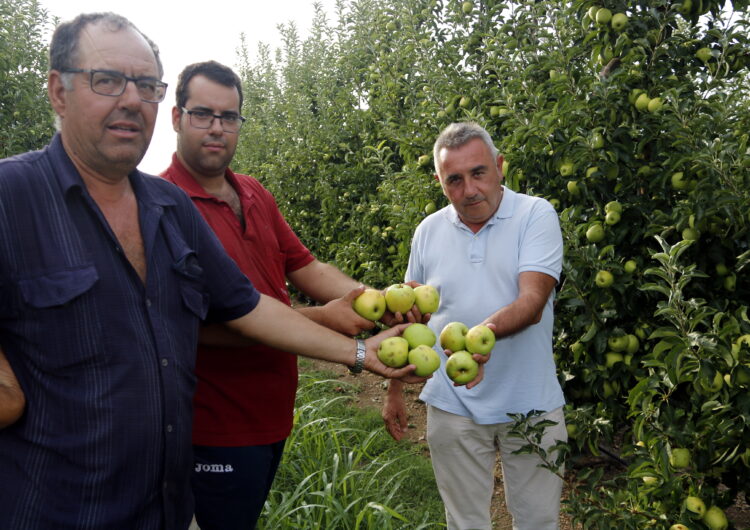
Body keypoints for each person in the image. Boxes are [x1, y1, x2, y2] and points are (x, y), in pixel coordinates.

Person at [0, 13, 423, 530]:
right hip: (57, 509)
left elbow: (247, 303)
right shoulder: (10, 200)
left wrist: (360, 351)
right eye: (106, 80)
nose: (131, 100)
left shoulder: (167, 206)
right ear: (58, 91)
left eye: (146, 86)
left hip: (166, 503)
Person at [161, 60, 394, 530]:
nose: (217, 128)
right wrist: (327, 322)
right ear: (176, 117)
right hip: (213, 425)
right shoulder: (164, 206)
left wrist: (380, 301)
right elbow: (202, 329)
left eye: (229, 117)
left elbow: (306, 266)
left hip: (271, 414)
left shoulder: (252, 193)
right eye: (202, 114)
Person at [382, 122, 567, 530]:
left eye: (479, 172)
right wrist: (395, 388)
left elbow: (532, 302)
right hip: (452, 405)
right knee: (465, 523)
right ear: (439, 181)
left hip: (531, 402)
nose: (470, 190)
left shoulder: (535, 214)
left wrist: (474, 339)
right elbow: (409, 315)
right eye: (455, 179)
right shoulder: (428, 231)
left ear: (500, 167)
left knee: (538, 522)